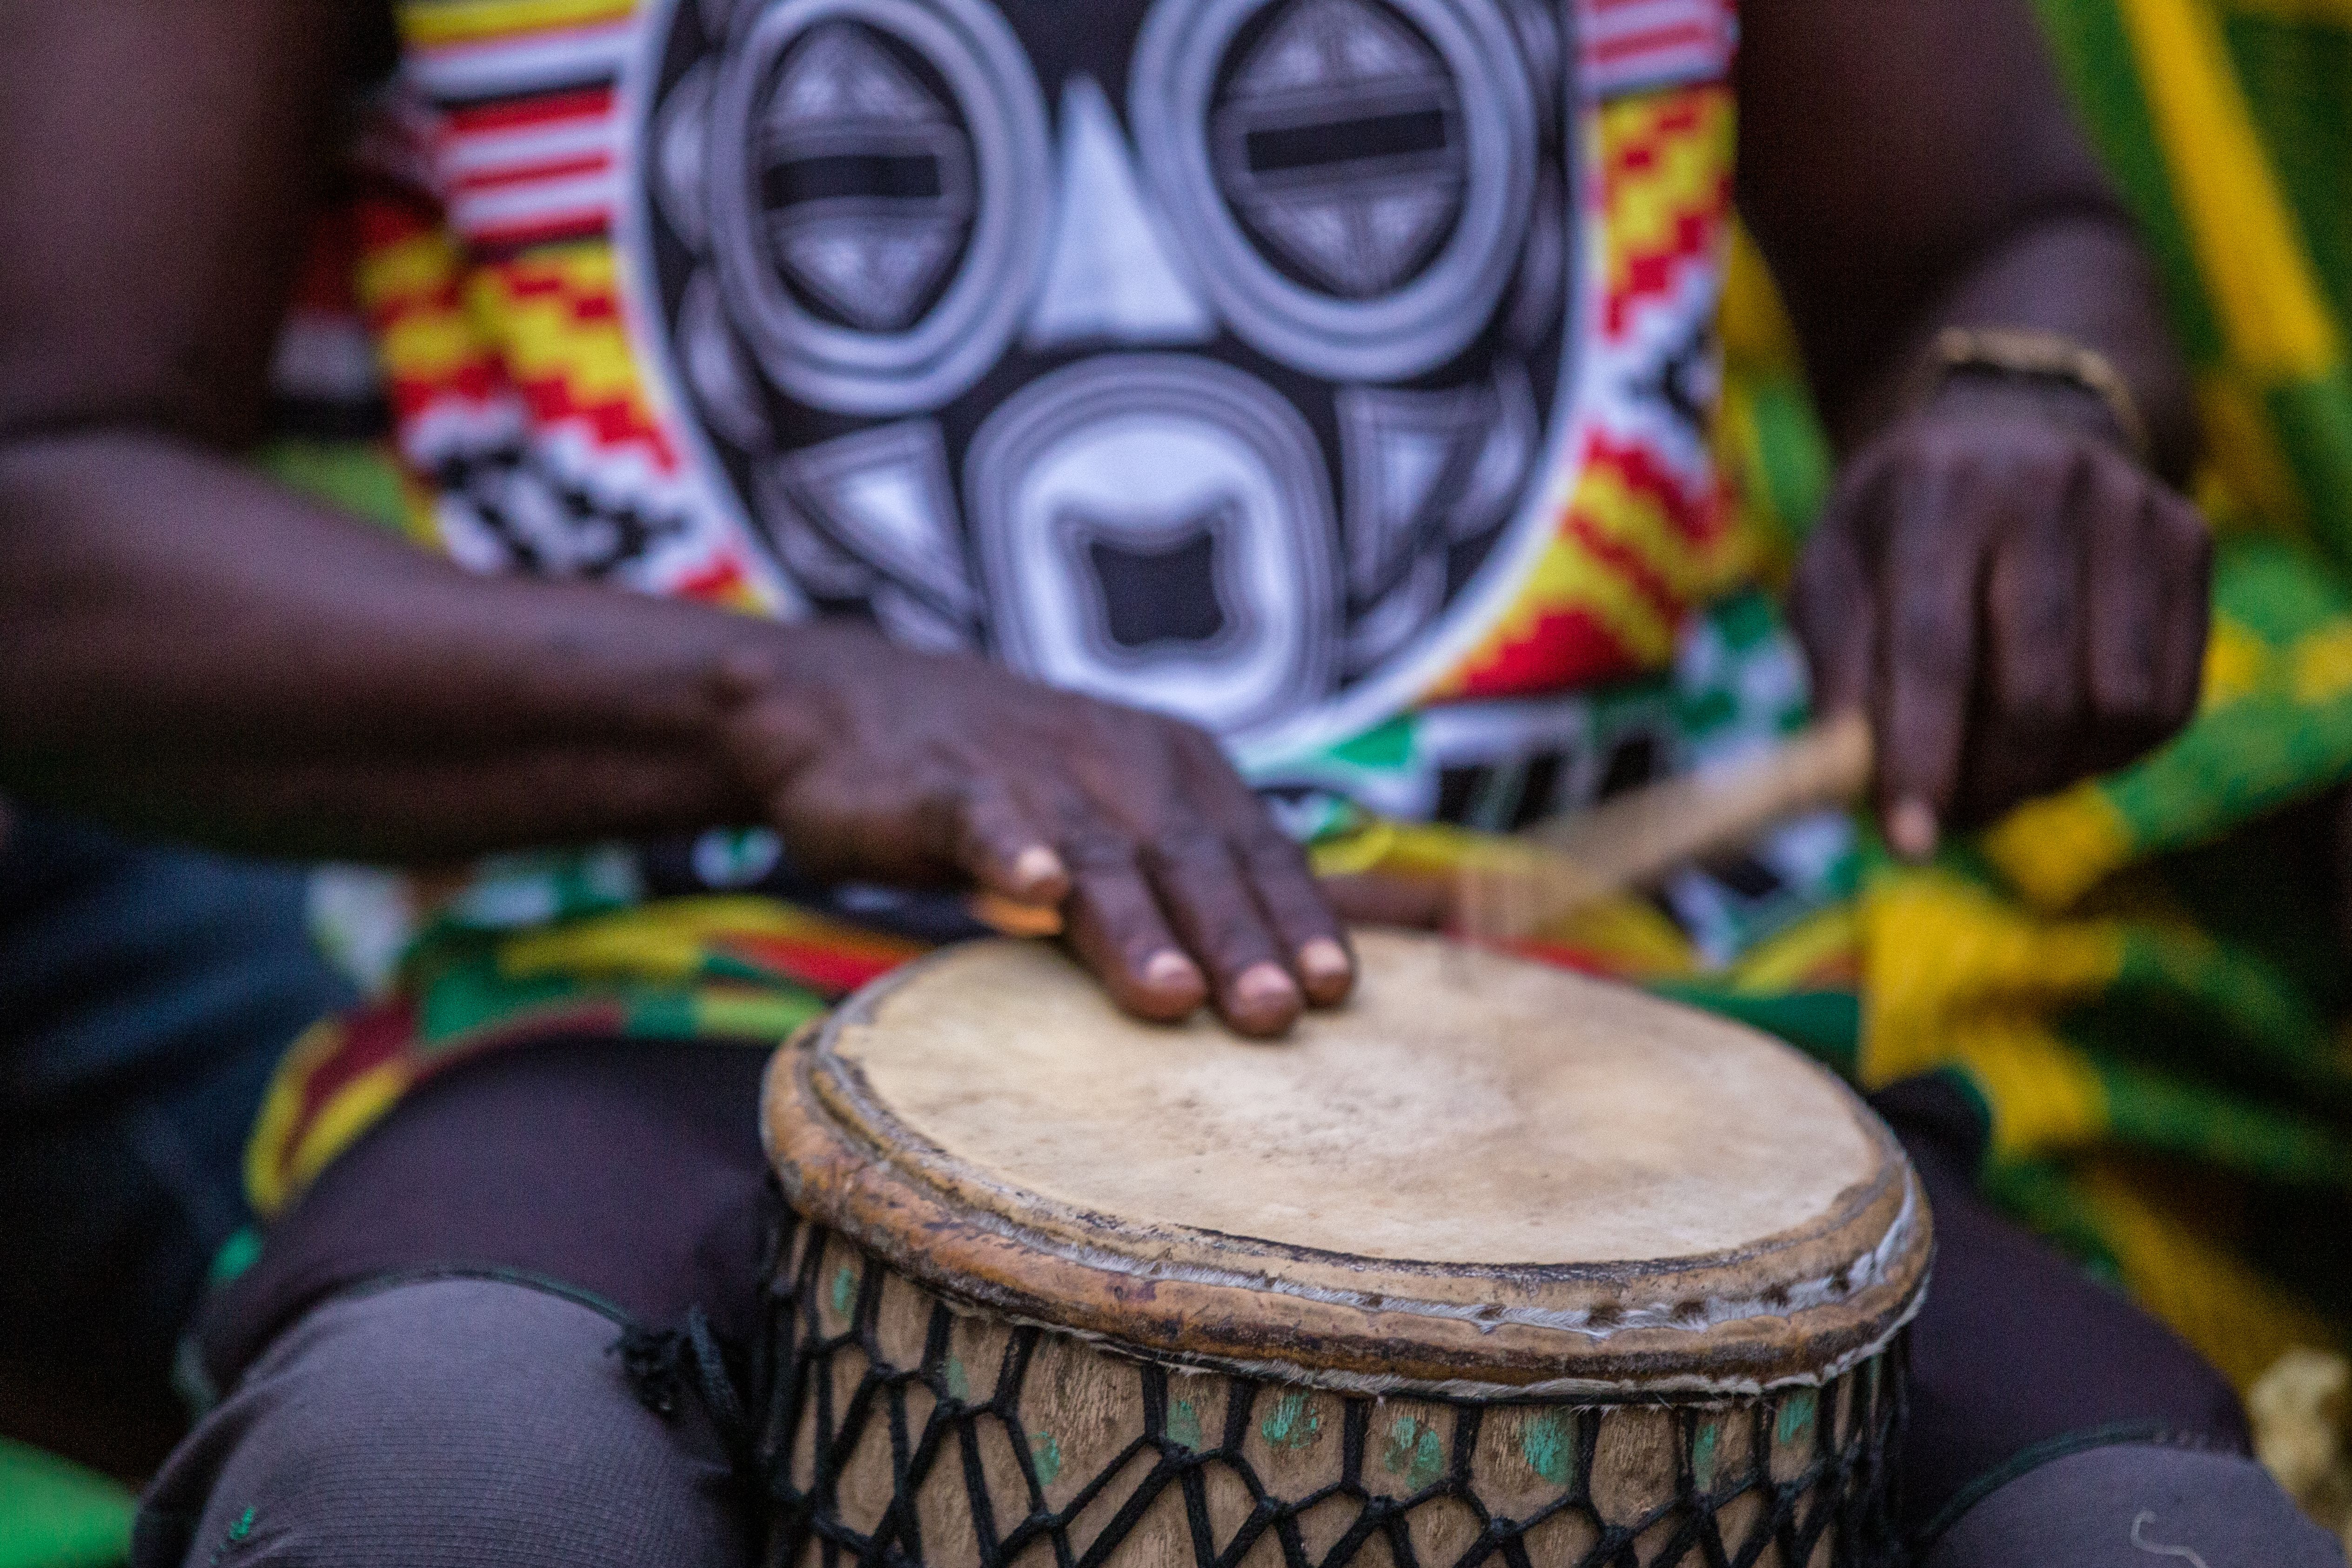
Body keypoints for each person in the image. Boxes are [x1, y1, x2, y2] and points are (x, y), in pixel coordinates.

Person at [0, 0, 2335, 1563]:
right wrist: (797, 705)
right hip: (684, 1009)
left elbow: (1990, 233)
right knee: (447, 1487)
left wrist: (2027, 409)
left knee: (2151, 1543)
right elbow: (46, 513)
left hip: (1620, 1042)